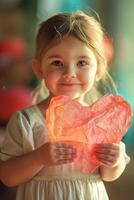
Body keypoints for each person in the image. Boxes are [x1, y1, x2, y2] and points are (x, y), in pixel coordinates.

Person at [0, 11, 130, 200]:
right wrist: (38, 158)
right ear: (39, 69)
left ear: (99, 70)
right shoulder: (26, 121)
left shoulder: (101, 120)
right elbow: (8, 176)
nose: (70, 72)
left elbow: (108, 175)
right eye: (57, 62)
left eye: (82, 62)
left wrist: (115, 162)